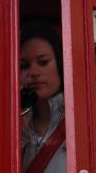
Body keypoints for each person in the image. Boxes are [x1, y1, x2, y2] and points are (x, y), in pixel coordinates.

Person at [20, 21, 66, 173]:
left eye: (43, 62)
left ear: (60, 64)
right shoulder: (18, 126)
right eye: (24, 66)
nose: (33, 72)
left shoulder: (95, 119)